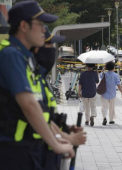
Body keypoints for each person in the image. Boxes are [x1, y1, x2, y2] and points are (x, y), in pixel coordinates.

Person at [0, 1, 74, 169]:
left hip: (23, 148)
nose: (43, 30)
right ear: (24, 26)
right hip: (12, 151)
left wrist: (57, 136)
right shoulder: (11, 55)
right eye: (40, 24)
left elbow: (39, 109)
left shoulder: (25, 57)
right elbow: (29, 105)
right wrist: (56, 145)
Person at [32, 26, 87, 170]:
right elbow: (33, 115)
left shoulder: (40, 78)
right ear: (37, 48)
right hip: (33, 152)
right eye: (49, 45)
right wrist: (66, 138)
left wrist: (66, 129)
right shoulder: (29, 79)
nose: (53, 50)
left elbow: (46, 117)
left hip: (45, 154)